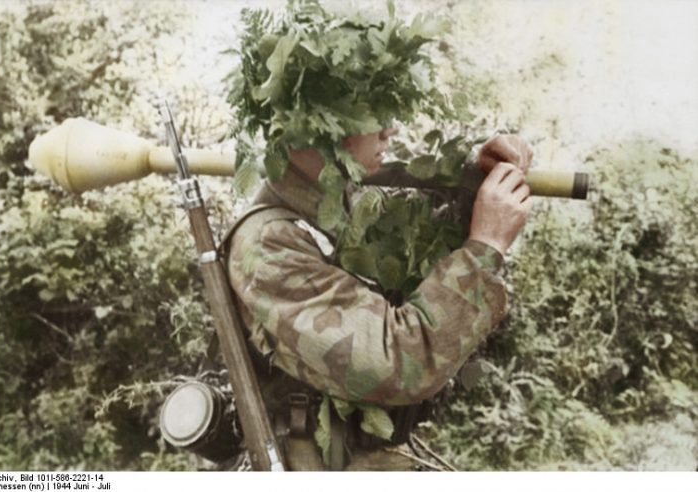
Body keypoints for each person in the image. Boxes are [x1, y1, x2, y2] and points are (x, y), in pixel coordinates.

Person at [223, 1, 534, 471]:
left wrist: (475, 186)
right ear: (313, 121)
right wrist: (484, 248)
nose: (391, 127)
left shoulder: (337, 202)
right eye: (371, 108)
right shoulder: (270, 247)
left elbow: (415, 273)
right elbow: (399, 360)